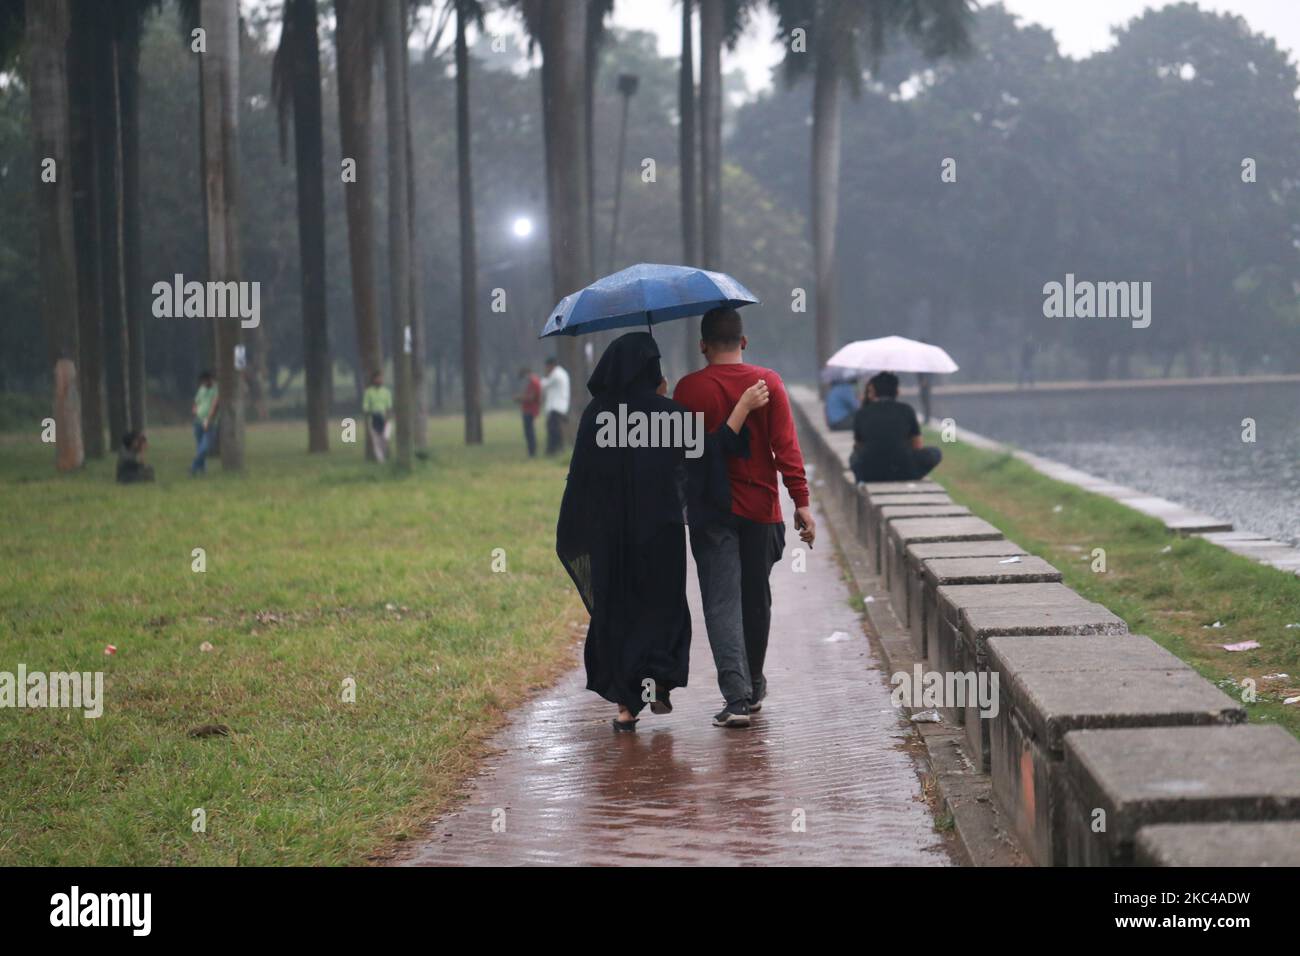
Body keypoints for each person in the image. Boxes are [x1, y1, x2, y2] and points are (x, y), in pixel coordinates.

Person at [556, 331, 769, 731]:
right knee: (660, 610)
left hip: (610, 538)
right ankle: (656, 689)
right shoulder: (667, 415)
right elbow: (710, 453)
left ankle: (625, 707)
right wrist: (740, 407)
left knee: (617, 611)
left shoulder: (595, 416)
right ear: (650, 369)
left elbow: (579, 478)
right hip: (659, 535)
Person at [674, 307, 815, 728]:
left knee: (721, 603)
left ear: (702, 346)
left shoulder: (688, 390)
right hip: (761, 509)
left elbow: (686, 455)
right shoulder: (767, 383)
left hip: (710, 512)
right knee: (756, 599)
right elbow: (785, 447)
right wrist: (801, 501)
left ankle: (736, 697)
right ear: (744, 341)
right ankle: (752, 684)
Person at [851, 371, 942, 483]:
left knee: (853, 458)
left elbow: (858, 447)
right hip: (904, 471)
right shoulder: (906, 410)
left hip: (871, 473)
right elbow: (917, 445)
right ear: (897, 391)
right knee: (935, 453)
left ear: (873, 392)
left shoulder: (862, 413)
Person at [190, 370, 219, 476]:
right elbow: (196, 402)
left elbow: (215, 406)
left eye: (205, 381)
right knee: (200, 447)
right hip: (197, 421)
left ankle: (193, 467)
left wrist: (208, 419)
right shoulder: (201, 389)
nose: (203, 384)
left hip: (209, 422)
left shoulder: (216, 390)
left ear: (210, 380)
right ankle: (202, 470)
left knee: (205, 447)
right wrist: (194, 410)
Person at [540, 357, 571, 455]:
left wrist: (544, 376)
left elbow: (544, 384)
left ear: (550, 365)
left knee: (553, 430)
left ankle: (553, 450)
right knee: (556, 429)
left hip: (556, 406)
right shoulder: (562, 373)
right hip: (560, 406)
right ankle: (556, 449)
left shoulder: (556, 374)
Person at [362, 371, 394, 463]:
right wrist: (369, 414)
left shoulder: (386, 392)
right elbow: (366, 407)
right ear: (373, 380)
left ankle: (384, 454)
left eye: (380, 378)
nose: (379, 380)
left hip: (385, 417)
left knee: (385, 438)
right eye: (377, 378)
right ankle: (381, 460)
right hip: (374, 418)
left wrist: (387, 418)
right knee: (376, 441)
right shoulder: (368, 392)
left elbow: (389, 407)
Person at [513, 365, 542, 457]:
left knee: (529, 432)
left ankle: (532, 452)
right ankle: (531, 452)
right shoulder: (532, 382)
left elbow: (531, 397)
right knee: (528, 432)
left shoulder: (534, 382)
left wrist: (519, 398)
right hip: (528, 410)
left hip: (530, 410)